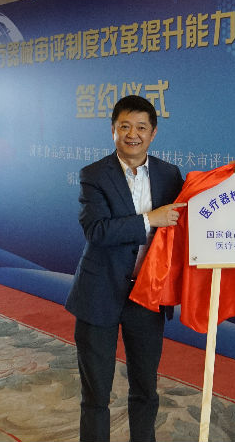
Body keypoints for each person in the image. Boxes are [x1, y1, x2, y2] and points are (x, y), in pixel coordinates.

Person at [65, 95, 185, 442]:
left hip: (147, 295)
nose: (133, 134)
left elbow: (186, 223)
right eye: (125, 127)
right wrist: (150, 219)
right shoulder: (94, 175)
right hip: (99, 292)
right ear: (113, 130)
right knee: (96, 394)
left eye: (141, 127)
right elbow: (97, 231)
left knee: (146, 388)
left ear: (153, 133)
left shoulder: (169, 175)